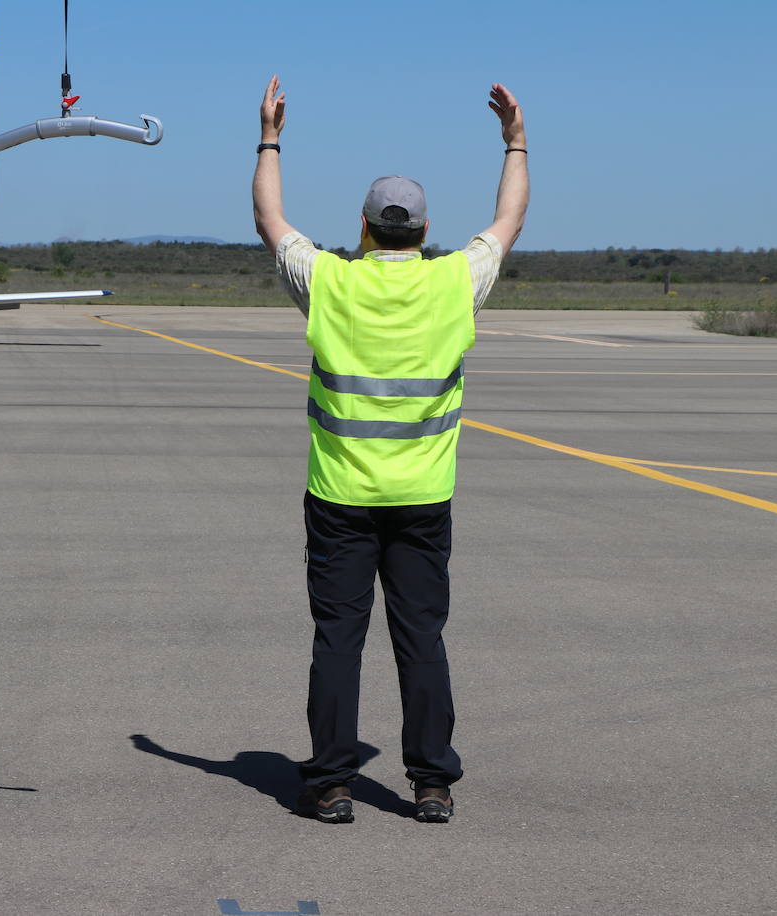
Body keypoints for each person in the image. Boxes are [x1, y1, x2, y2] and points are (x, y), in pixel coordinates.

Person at [251, 76, 529, 824]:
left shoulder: (331, 283)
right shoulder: (453, 283)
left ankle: (333, 783)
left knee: (339, 641)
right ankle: (432, 782)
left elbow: (270, 218)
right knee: (421, 640)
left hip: (340, 499)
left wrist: (270, 135)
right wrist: (515, 142)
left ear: (367, 227)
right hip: (421, 500)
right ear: (424, 226)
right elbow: (508, 220)